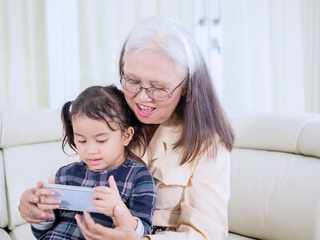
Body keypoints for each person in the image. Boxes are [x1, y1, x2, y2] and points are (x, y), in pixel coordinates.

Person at [19, 16, 234, 240]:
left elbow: (205, 234)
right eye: (132, 81)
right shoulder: (111, 118)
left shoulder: (208, 141)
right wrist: (38, 208)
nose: (142, 97)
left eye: (158, 87)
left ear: (187, 85)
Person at [30, 85, 156, 239]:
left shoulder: (139, 176)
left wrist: (118, 209)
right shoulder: (66, 174)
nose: (90, 150)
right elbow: (41, 232)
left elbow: (143, 233)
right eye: (81, 141)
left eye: (101, 140)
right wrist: (43, 212)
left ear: (126, 135)